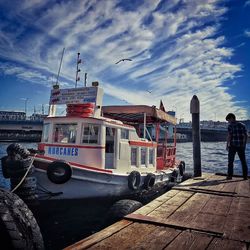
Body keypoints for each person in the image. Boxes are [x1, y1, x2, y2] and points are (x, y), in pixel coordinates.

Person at [225, 113, 248, 180]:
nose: (228, 122)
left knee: (230, 161)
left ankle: (229, 176)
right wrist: (244, 145)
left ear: (232, 118)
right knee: (243, 161)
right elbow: (245, 135)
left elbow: (229, 136)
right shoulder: (242, 125)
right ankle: (245, 176)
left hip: (232, 146)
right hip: (241, 146)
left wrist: (227, 145)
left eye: (228, 120)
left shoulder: (230, 126)